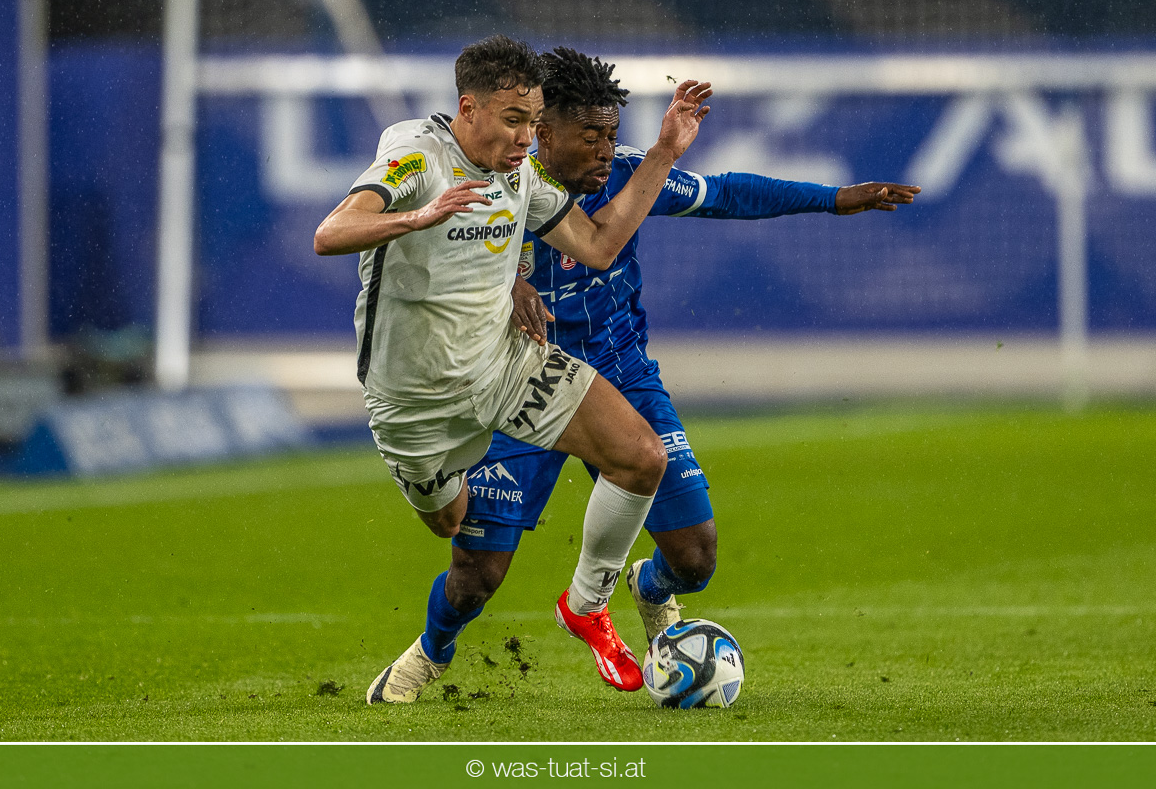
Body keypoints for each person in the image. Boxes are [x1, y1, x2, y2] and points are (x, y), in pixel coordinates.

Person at [393, 46, 921, 699]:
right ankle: (431, 652)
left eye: (611, 134)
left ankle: (645, 588)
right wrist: (499, 288)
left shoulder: (628, 178)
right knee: (478, 575)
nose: (605, 151)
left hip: (621, 373)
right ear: (543, 133)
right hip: (518, 383)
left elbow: (725, 193)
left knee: (695, 558)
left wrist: (835, 199)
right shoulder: (494, 188)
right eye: (590, 137)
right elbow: (424, 261)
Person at [313, 36, 711, 703]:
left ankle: (586, 604)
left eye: (533, 121)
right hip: (412, 402)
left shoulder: (522, 177)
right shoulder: (416, 156)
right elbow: (331, 232)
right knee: (456, 537)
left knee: (641, 457)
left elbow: (598, 245)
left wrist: (666, 152)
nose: (526, 137)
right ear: (468, 108)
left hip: (503, 368)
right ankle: (430, 650)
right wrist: (421, 215)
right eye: (513, 120)